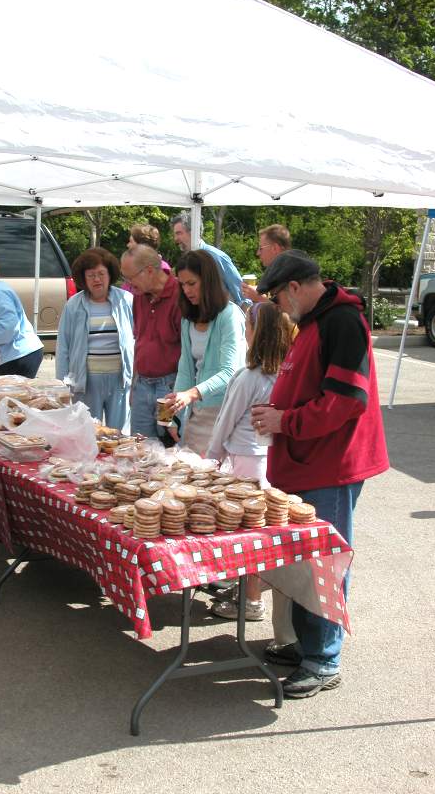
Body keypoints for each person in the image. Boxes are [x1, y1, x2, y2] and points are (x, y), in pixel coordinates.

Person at [252, 249, 389, 698]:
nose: (278, 307)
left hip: (333, 465)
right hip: (309, 462)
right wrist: (279, 412)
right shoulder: (314, 322)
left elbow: (347, 401)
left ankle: (324, 660)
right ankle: (307, 646)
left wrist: (283, 421)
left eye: (277, 297)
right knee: (304, 562)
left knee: (324, 563)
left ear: (294, 287)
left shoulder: (342, 322)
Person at [206, 301, 298, 632]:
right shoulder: (285, 377)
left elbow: (225, 421)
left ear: (256, 334)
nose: (244, 332)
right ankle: (246, 589)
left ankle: (251, 600)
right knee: (258, 531)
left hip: (244, 461)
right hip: (267, 460)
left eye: (248, 326)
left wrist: (211, 457)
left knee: (245, 533)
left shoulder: (247, 377)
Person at [165, 249, 246, 455]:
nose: (186, 290)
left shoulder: (229, 316)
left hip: (226, 412)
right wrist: (173, 415)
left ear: (208, 281)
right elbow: (185, 368)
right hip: (197, 412)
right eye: (182, 285)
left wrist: (191, 394)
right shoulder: (187, 319)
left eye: (191, 283)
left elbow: (230, 372)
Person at [56, 247, 134, 432]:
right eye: (91, 275)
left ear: (110, 274)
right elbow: (63, 346)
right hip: (86, 381)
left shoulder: (126, 300)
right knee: (87, 433)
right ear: (83, 278)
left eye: (101, 273)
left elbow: (138, 338)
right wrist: (61, 384)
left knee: (120, 434)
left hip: (120, 380)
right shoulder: (74, 305)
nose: (97, 279)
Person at [120, 244, 181, 440]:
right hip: (142, 385)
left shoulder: (179, 295)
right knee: (140, 448)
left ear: (148, 271)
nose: (128, 285)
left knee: (168, 445)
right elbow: (140, 340)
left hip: (168, 387)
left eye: (131, 278)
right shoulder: (139, 296)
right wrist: (133, 386)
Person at [171, 211, 245, 306]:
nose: (175, 239)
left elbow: (241, 294)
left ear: (193, 232)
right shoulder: (185, 261)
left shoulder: (216, 257)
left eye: (179, 233)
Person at [241, 224, 292, 303]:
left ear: (275, 248)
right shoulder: (276, 272)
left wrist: (258, 297)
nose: (258, 253)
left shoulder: (290, 275)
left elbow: (287, 313)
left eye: (261, 248)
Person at [122, 224, 171, 294]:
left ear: (142, 246)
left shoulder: (161, 268)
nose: (128, 245)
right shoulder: (134, 267)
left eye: (131, 241)